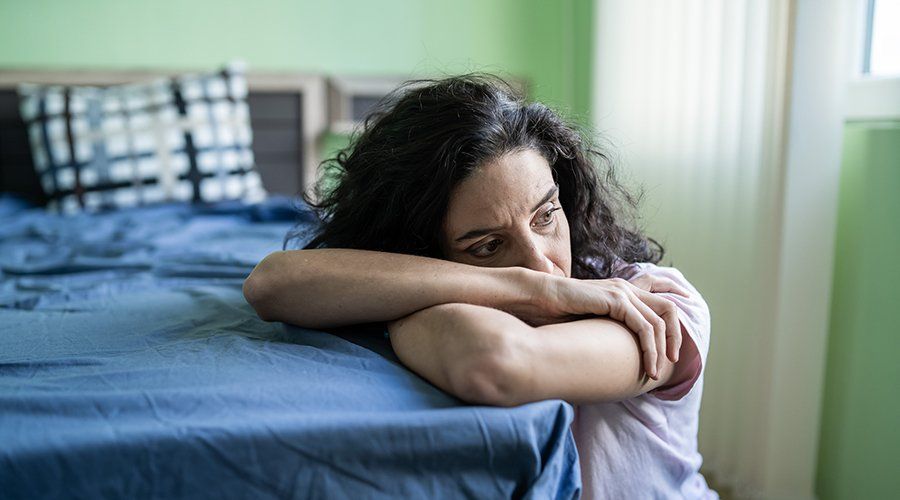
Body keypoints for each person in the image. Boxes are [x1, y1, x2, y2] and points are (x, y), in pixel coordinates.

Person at [243, 75, 716, 499]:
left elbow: (496, 362)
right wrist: (536, 291)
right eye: (488, 246)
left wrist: (402, 298)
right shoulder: (526, 284)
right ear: (424, 252)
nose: (541, 265)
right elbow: (270, 284)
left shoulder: (655, 306)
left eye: (546, 216)